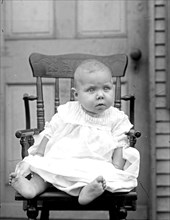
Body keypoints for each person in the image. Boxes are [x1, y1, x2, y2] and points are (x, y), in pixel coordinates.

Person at [9, 59, 140, 205]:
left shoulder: (116, 117)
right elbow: (50, 132)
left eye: (106, 88)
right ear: (76, 94)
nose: (100, 95)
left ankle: (87, 192)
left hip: (96, 163)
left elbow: (120, 144)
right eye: (91, 90)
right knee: (45, 171)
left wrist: (116, 168)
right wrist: (39, 155)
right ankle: (32, 187)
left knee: (101, 177)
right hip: (62, 159)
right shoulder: (68, 110)